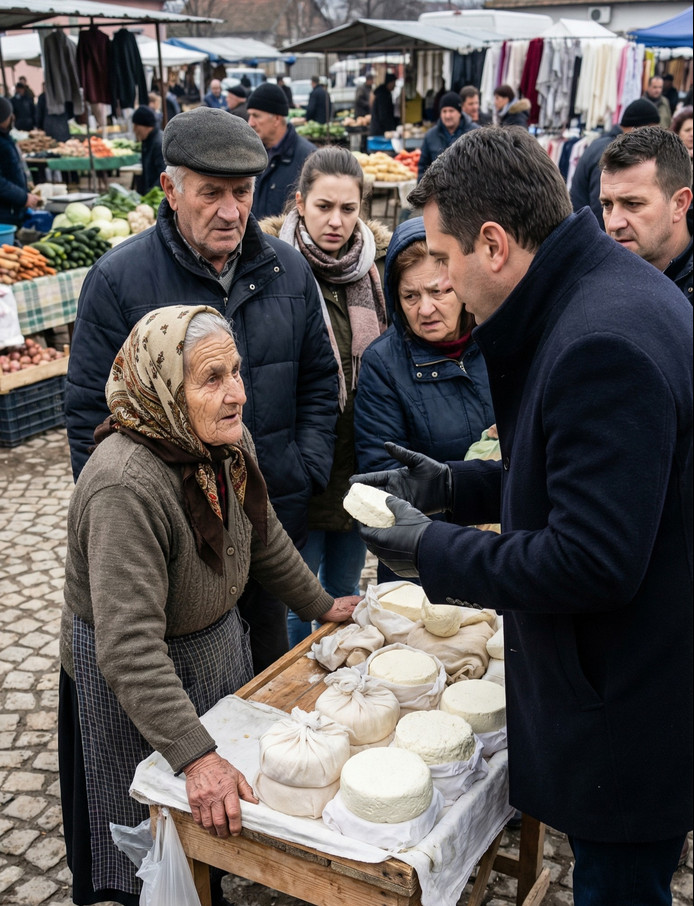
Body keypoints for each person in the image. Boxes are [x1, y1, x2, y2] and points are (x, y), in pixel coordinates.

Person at [351, 125, 692, 906]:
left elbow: (591, 559)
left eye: (445, 259)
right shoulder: (604, 292)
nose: (442, 283)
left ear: (494, 244)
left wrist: (432, 551)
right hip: (640, 677)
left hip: (630, 703)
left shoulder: (601, 340)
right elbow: (582, 476)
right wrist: (456, 486)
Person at [59, 304, 358, 906]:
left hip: (210, 653)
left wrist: (323, 604)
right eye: (212, 378)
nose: (238, 394)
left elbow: (262, 536)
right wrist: (196, 757)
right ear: (165, 388)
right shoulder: (125, 485)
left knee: (210, 834)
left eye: (236, 372)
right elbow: (130, 649)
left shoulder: (226, 443)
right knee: (145, 845)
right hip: (132, 686)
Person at [64, 107, 340, 674]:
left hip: (268, 520)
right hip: (174, 550)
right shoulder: (118, 280)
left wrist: (301, 467)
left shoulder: (289, 270)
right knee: (176, 687)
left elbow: (319, 380)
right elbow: (91, 415)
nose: (231, 211)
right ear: (170, 190)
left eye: (242, 192)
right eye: (211, 192)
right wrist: (133, 525)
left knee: (266, 680)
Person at [258, 146, 390, 644]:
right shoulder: (272, 268)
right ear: (299, 202)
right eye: (324, 206)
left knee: (345, 590)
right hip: (300, 467)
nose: (336, 221)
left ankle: (337, 672)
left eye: (348, 208)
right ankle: (294, 681)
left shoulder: (376, 268)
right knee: (298, 600)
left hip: (357, 462)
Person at [353, 215, 494, 584]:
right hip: (424, 559)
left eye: (438, 292)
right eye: (410, 296)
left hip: (505, 549)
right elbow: (386, 478)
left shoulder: (499, 342)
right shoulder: (384, 364)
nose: (425, 309)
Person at [600, 125, 692, 300]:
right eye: (607, 204)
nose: (613, 224)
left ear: (679, 204)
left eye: (633, 204)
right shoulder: (592, 279)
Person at [570, 97, 660, 227]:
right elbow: (601, 207)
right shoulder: (612, 152)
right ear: (637, 128)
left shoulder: (603, 144)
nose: (652, 138)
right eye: (651, 131)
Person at [246, 82, 316, 220]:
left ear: (277, 119)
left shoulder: (308, 159)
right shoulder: (251, 154)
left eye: (256, 116)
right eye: (250, 116)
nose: (250, 122)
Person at [417, 91, 478, 180]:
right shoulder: (430, 136)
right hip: (438, 186)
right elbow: (422, 167)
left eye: (451, 111)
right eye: (444, 111)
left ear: (459, 112)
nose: (447, 116)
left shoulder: (474, 133)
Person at [0, 96, 40, 227]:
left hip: (12, 210)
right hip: (5, 214)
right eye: (9, 114)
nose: (12, 117)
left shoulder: (5, 138)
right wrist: (23, 198)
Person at [131, 105, 165, 195]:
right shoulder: (147, 141)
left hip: (158, 196)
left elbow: (163, 174)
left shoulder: (159, 144)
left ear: (146, 125)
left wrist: (150, 195)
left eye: (136, 125)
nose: (134, 130)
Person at [369, 72, 398, 136]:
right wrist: (390, 128)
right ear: (389, 83)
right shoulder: (383, 95)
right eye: (394, 83)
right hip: (380, 131)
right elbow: (383, 115)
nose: (395, 85)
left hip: (379, 129)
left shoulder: (384, 93)